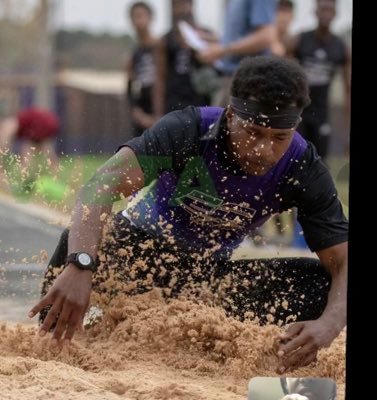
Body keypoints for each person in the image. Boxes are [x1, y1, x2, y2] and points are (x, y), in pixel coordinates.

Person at [29, 56, 348, 374]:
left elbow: (342, 260)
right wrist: (82, 264)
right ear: (231, 115)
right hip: (138, 254)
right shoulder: (190, 130)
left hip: (207, 279)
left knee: (317, 283)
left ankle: (237, 357)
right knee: (74, 244)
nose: (264, 149)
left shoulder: (302, 166)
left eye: (279, 137)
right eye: (253, 133)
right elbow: (100, 187)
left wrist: (330, 325)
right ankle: (55, 349)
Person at [289, 0, 351, 160]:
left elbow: (347, 89)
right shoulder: (299, 40)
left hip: (322, 113)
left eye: (330, 10)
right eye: (322, 9)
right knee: (295, 158)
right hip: (298, 111)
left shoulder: (340, 47)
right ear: (315, 11)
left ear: (335, 13)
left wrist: (346, 130)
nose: (326, 14)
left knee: (319, 162)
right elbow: (284, 76)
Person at [199, 0, 285, 107]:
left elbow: (266, 37)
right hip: (231, 80)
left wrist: (223, 50)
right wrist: (213, 40)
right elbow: (240, 36)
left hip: (249, 84)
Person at [152, 0, 216, 117]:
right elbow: (160, 78)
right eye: (177, 4)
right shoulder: (165, 40)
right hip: (175, 105)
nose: (182, 9)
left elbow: (217, 67)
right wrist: (158, 114)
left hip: (202, 103)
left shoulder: (207, 35)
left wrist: (198, 45)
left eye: (186, 3)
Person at [0, 107, 60, 192]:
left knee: (28, 154)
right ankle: (53, 176)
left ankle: (24, 181)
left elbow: (4, 147)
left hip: (42, 123)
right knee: (43, 151)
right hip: (50, 122)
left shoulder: (7, 125)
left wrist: (3, 168)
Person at [126, 1, 157, 137]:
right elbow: (129, 87)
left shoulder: (160, 48)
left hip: (161, 108)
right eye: (134, 17)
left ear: (150, 17)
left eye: (141, 16)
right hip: (142, 108)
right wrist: (137, 113)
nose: (138, 21)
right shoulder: (133, 54)